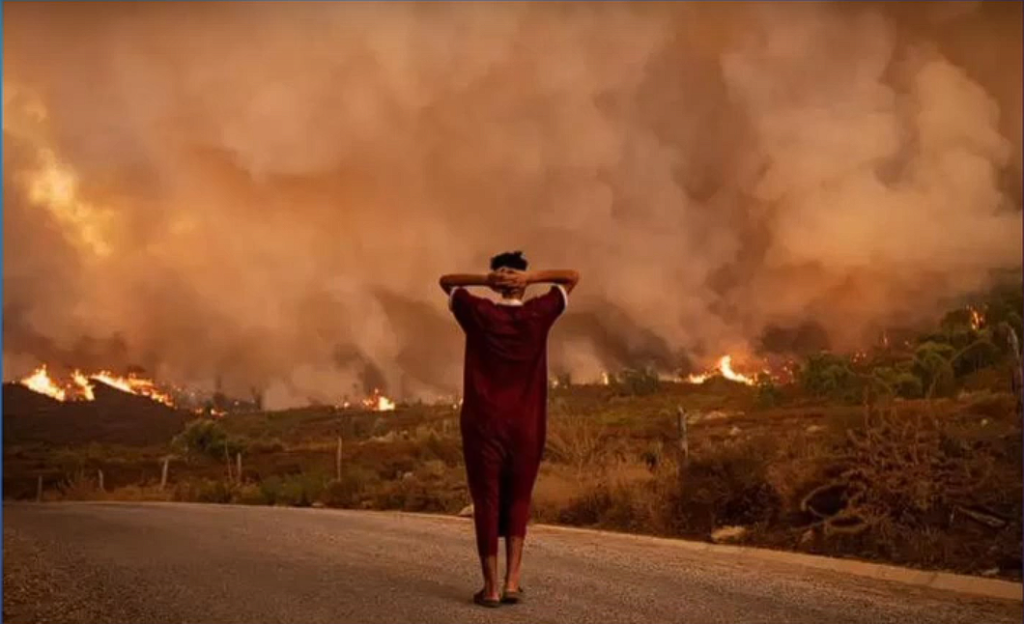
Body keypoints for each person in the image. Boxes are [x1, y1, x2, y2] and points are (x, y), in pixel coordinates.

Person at [439, 251, 580, 608]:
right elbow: (572, 277)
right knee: (519, 498)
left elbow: (446, 282)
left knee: (486, 500)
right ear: (520, 280)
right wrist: (533, 279)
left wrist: (483, 281)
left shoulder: (479, 313)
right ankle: (513, 582)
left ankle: (490, 589)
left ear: (498, 282)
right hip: (526, 424)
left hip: (483, 424)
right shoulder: (538, 314)